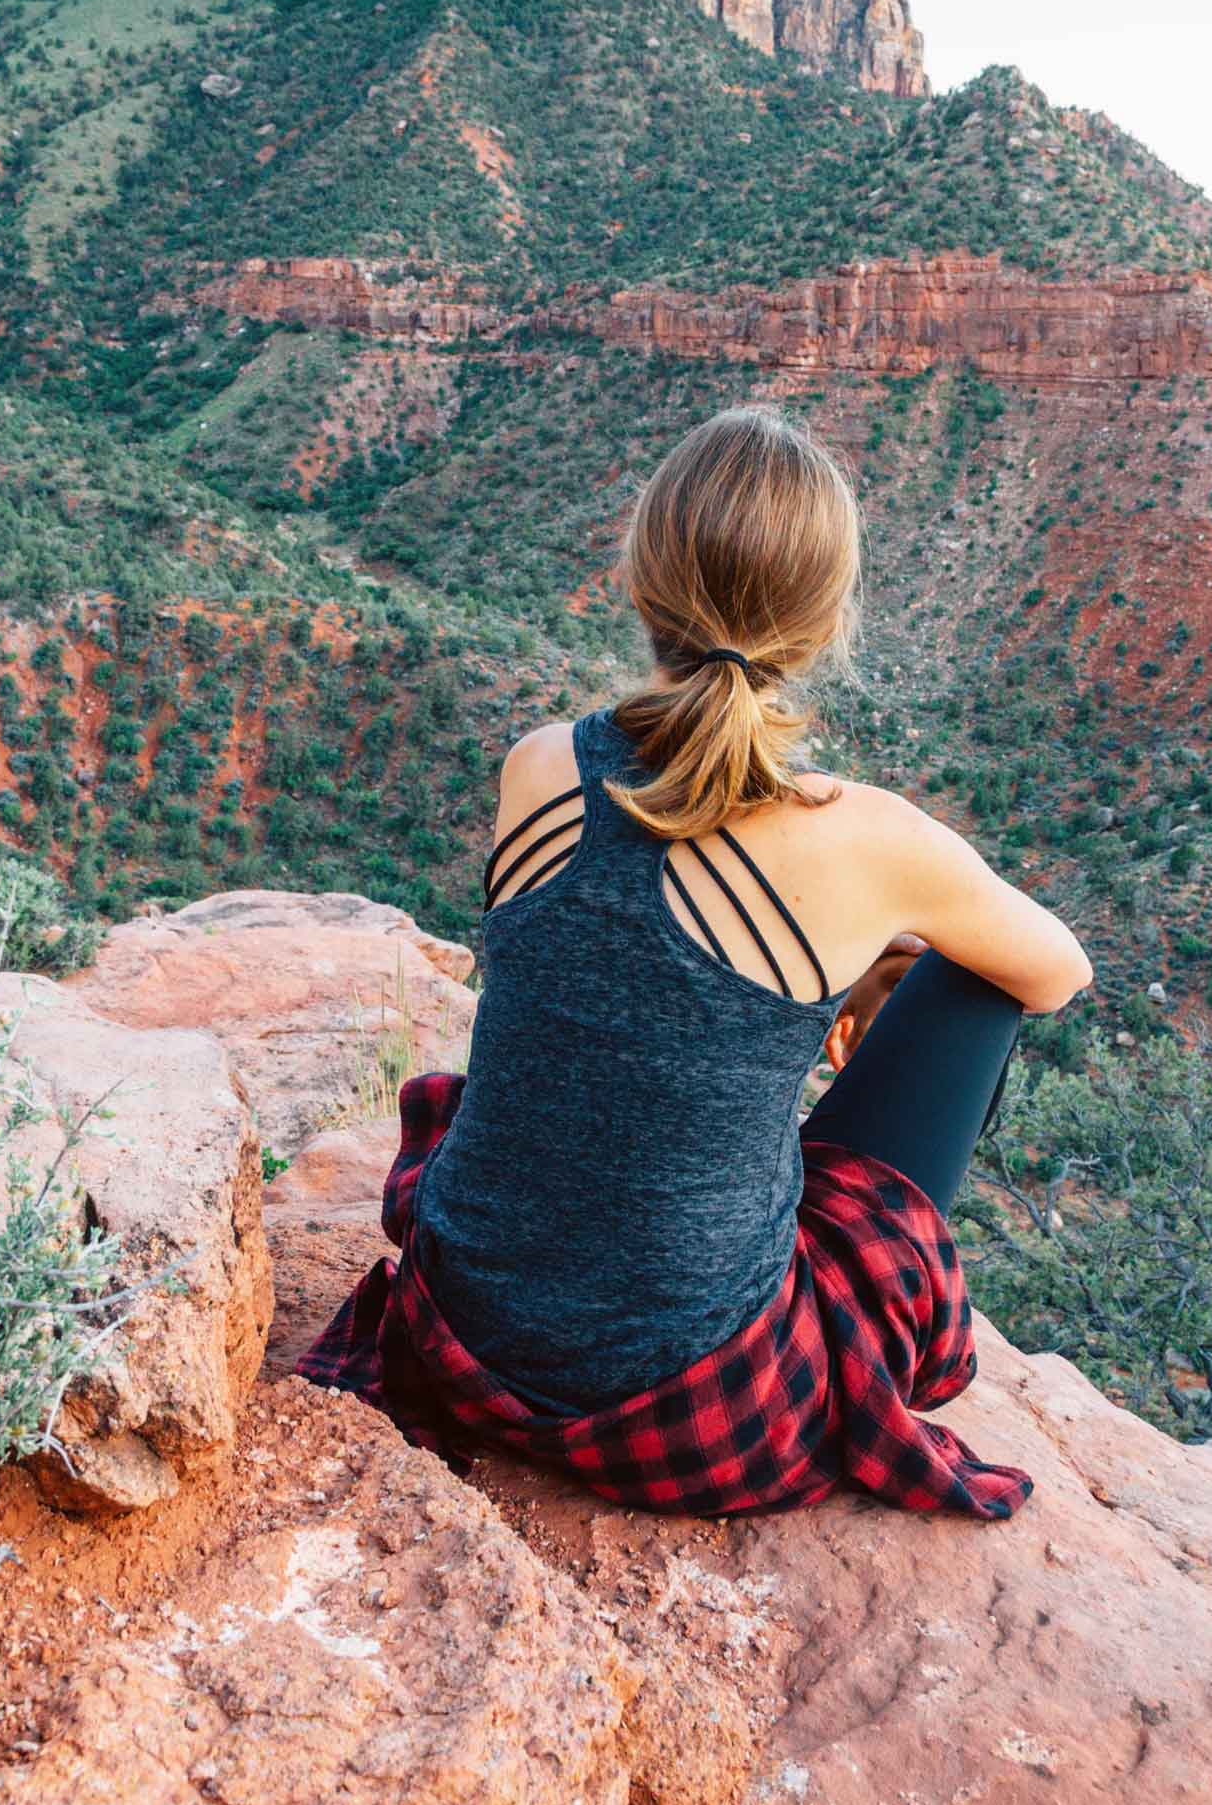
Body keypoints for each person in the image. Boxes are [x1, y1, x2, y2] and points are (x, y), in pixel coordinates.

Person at [299, 405, 1093, 1518]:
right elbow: (1057, 973)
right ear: (826, 619)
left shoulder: (539, 766)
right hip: (689, 1411)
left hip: (459, 1335)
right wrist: (877, 945)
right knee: (969, 982)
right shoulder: (870, 838)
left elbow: (629, 989)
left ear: (641, 579)